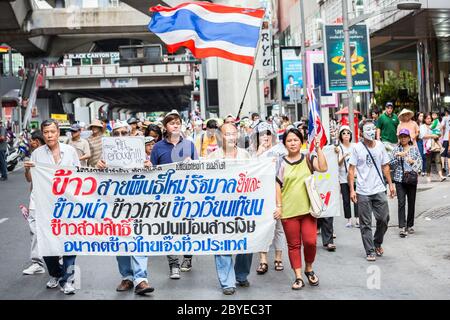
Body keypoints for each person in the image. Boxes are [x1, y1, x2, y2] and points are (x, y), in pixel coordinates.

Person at [96, 121, 154, 295]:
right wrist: (99, 169)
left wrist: (149, 169)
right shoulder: (105, 155)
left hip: (137, 203)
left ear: (129, 134)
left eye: (123, 133)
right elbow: (96, 183)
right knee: (119, 240)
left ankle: (141, 279)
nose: (120, 136)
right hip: (115, 204)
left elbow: (152, 181)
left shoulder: (140, 154)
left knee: (138, 238)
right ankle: (127, 277)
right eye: (116, 134)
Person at [24, 119, 80, 294]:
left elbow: (79, 175)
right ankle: (55, 273)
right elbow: (29, 179)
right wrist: (27, 169)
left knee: (70, 240)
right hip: (43, 204)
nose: (49, 135)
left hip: (67, 203)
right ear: (43, 133)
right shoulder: (37, 154)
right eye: (46, 132)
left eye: (52, 132)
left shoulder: (70, 151)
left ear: (58, 133)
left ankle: (68, 279)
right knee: (46, 241)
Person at [275, 127, 328, 290]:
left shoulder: (307, 158)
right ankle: (298, 276)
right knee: (293, 245)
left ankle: (309, 268)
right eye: (289, 140)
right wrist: (279, 207)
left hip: (308, 210)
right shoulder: (281, 162)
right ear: (284, 143)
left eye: (295, 140)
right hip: (288, 211)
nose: (292, 143)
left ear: (302, 142)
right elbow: (277, 185)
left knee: (310, 242)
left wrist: (318, 149)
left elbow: (323, 167)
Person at [150, 110, 199, 278]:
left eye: (178, 122)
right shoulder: (158, 147)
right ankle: (173, 264)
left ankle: (187, 257)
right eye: (172, 123)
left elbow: (199, 170)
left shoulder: (190, 145)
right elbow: (152, 171)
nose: (176, 125)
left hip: (187, 195)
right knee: (168, 230)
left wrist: (191, 164)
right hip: (165, 196)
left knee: (187, 228)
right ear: (165, 127)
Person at [207, 123, 254, 295]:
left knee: (246, 243)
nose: (231, 137)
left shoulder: (245, 155)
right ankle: (227, 282)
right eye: (227, 134)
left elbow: (254, 176)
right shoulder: (213, 157)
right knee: (222, 243)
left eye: (234, 133)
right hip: (221, 207)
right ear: (220, 136)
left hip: (243, 206)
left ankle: (241, 275)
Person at [348, 120, 396, 261]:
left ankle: (377, 242)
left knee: (384, 219)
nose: (371, 132)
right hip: (363, 191)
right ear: (361, 133)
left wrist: (391, 184)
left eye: (373, 129)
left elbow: (385, 166)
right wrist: (352, 190)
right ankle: (370, 250)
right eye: (367, 129)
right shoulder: (357, 148)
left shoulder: (380, 146)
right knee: (366, 223)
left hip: (379, 189)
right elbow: (351, 170)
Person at [249, 122, 286, 275]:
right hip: (261, 194)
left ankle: (278, 257)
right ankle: (263, 259)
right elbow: (249, 172)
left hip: (279, 191)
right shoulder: (252, 152)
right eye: (262, 134)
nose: (265, 137)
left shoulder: (281, 150)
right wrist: (259, 153)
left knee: (279, 227)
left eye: (268, 133)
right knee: (262, 227)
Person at [389, 128, 422, 238]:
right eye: (401, 136)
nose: (403, 138)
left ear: (409, 138)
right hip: (399, 179)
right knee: (401, 202)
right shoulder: (396, 149)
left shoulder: (414, 149)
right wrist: (397, 156)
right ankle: (402, 226)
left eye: (405, 136)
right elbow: (391, 164)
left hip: (411, 179)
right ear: (399, 138)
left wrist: (412, 161)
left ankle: (410, 225)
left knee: (411, 202)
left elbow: (420, 164)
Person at [22, 129, 46, 275]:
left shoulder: (53, 155)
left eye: (32, 140)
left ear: (38, 141)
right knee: (35, 230)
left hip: (51, 199)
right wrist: (26, 170)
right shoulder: (33, 156)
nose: (30, 142)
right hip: (35, 198)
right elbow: (29, 179)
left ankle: (60, 259)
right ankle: (37, 263)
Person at [335, 125, 359, 228]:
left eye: (348, 133)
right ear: (340, 135)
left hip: (355, 176)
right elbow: (338, 164)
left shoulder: (355, 146)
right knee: (346, 199)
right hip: (343, 177)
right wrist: (343, 156)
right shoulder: (338, 148)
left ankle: (358, 218)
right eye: (344, 133)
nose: (346, 135)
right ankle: (349, 219)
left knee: (357, 198)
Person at [420, 113, 446, 182]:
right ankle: (428, 175)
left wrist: (438, 135)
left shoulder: (433, 125)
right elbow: (423, 136)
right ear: (424, 119)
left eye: (430, 118)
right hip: (428, 147)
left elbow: (438, 132)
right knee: (428, 162)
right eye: (427, 118)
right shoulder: (422, 126)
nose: (429, 120)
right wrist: (432, 136)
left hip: (435, 145)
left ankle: (440, 176)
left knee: (438, 160)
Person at [441, 109, 450, 177]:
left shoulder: (445, 118)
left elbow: (441, 126)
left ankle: (444, 168)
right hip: (447, 137)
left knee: (444, 154)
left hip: (446, 138)